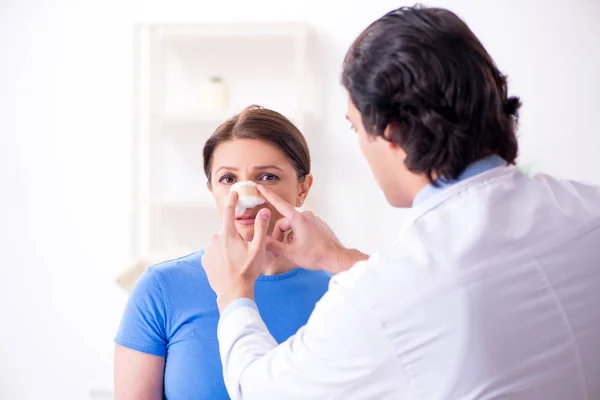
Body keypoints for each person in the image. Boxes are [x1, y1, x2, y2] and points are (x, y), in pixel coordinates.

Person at [201, 5, 600, 400]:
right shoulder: (587, 210)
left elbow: (260, 389)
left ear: (389, 132)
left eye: (355, 128)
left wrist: (234, 293)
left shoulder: (377, 298)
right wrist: (337, 257)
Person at [113, 105, 331, 399]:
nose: (245, 196)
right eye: (228, 179)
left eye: (267, 177)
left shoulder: (341, 288)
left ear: (303, 188)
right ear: (212, 190)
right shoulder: (160, 289)